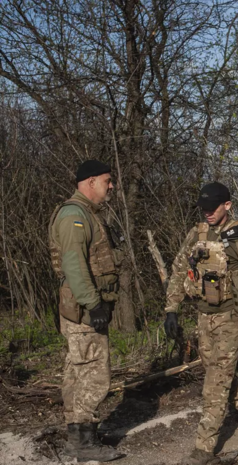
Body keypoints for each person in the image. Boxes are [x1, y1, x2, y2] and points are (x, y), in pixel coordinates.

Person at [162, 182, 238, 465]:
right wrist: (171, 308)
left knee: (215, 383)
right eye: (203, 209)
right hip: (204, 315)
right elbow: (180, 269)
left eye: (212, 208)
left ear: (227, 205)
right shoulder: (197, 233)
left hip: (231, 317)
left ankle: (203, 448)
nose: (207, 213)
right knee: (219, 375)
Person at [49, 159, 125, 462]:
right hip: (84, 310)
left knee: (77, 373)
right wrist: (93, 304)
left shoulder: (86, 214)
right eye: (107, 180)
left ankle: (79, 438)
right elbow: (75, 265)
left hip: (83, 308)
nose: (111, 186)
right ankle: (83, 441)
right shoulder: (74, 216)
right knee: (93, 375)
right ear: (91, 181)